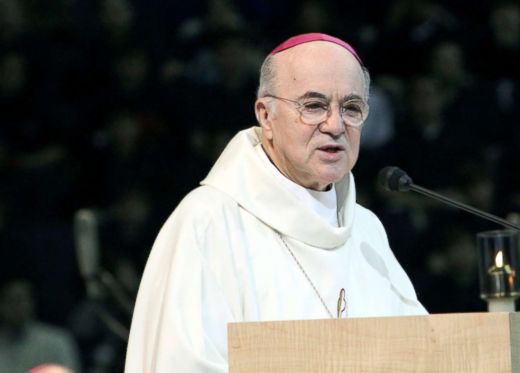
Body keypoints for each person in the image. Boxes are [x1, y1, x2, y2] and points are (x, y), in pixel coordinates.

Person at [125, 33, 426, 372]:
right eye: (314, 106)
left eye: (351, 108)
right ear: (266, 116)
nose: (335, 125)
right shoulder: (208, 222)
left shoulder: (366, 230)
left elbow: (422, 354)